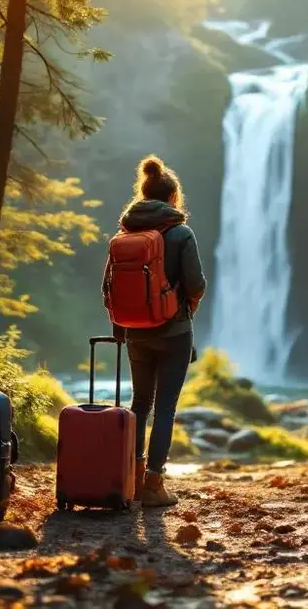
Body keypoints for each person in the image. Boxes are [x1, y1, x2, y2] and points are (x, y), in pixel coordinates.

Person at [104, 155, 205, 508]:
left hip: (135, 333)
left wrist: (121, 325)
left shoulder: (124, 233)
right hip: (174, 332)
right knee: (165, 409)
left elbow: (109, 287)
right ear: (173, 197)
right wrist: (186, 306)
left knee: (139, 405)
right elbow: (196, 282)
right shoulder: (181, 232)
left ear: (143, 195)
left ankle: (129, 479)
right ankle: (153, 485)